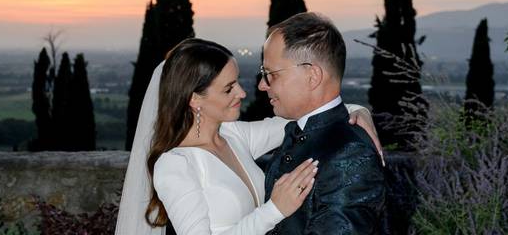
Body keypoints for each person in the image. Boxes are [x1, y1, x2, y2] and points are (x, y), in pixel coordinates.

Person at [115, 38, 381, 235]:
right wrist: (274, 210)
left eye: (238, 82)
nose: (242, 93)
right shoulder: (176, 164)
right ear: (195, 98)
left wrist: (358, 110)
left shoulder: (233, 134)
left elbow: (307, 115)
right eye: (228, 89)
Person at [258, 12, 385, 234]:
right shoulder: (299, 131)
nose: (262, 85)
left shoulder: (351, 152)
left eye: (271, 74)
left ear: (313, 76)